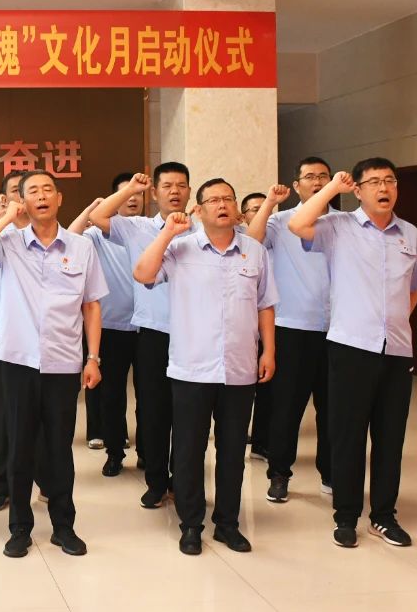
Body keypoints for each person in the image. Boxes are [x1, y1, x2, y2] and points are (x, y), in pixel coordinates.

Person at [288, 158, 417, 548]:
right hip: (351, 347)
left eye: (390, 181)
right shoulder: (339, 226)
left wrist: (390, 324)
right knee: (348, 436)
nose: (384, 188)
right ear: (359, 190)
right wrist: (332, 188)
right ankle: (346, 516)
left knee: (390, 437)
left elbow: (413, 291)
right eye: (375, 182)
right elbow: (297, 224)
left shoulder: (412, 235)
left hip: (396, 350)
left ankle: (383, 516)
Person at [0, 171, 104, 559]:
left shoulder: (81, 247)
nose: (41, 196)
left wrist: (93, 357)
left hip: (63, 361)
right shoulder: (8, 242)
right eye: (32, 192)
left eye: (47, 190)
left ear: (59, 198)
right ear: (22, 200)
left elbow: (92, 305)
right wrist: (7, 218)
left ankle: (64, 526)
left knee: (59, 448)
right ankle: (19, 528)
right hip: (17, 361)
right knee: (19, 446)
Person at [134, 179, 277, 555]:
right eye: (213, 200)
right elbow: (143, 274)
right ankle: (191, 524)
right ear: (199, 210)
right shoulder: (180, 248)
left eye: (228, 198)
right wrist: (168, 232)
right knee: (188, 450)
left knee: (232, 451)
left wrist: (269, 351)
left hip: (240, 367)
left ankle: (228, 524)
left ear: (237, 208)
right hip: (192, 368)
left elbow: (265, 304)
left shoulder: (254, 251)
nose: (222, 205)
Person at [90, 163, 193, 508]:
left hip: (194, 334)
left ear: (190, 191)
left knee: (188, 413)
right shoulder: (137, 228)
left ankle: (183, 479)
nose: (175, 191)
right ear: (155, 192)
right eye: (167, 185)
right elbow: (98, 216)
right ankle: (156, 480)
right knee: (153, 410)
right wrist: (131, 188)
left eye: (181, 185)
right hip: (153, 333)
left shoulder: (200, 230)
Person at [245, 158, 334, 503]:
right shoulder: (281, 222)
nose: (317, 181)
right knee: (286, 408)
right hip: (292, 328)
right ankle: (279, 473)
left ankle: (331, 473)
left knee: (334, 409)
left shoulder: (343, 223)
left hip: (338, 330)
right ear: (297, 186)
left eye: (323, 176)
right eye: (309, 177)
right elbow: (252, 241)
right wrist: (269, 202)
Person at [68, 173, 142, 476]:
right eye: (125, 194)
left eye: (137, 194)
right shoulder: (97, 235)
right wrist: (91, 209)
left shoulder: (148, 229)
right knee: (112, 395)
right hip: (111, 327)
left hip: (147, 327)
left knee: (149, 396)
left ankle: (148, 452)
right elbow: (70, 237)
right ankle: (114, 453)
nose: (133, 198)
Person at [238, 192, 272, 460]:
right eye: (255, 209)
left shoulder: (281, 229)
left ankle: (262, 438)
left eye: (265, 208)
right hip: (246, 324)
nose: (262, 213)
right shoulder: (245, 242)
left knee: (268, 387)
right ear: (243, 216)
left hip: (272, 320)